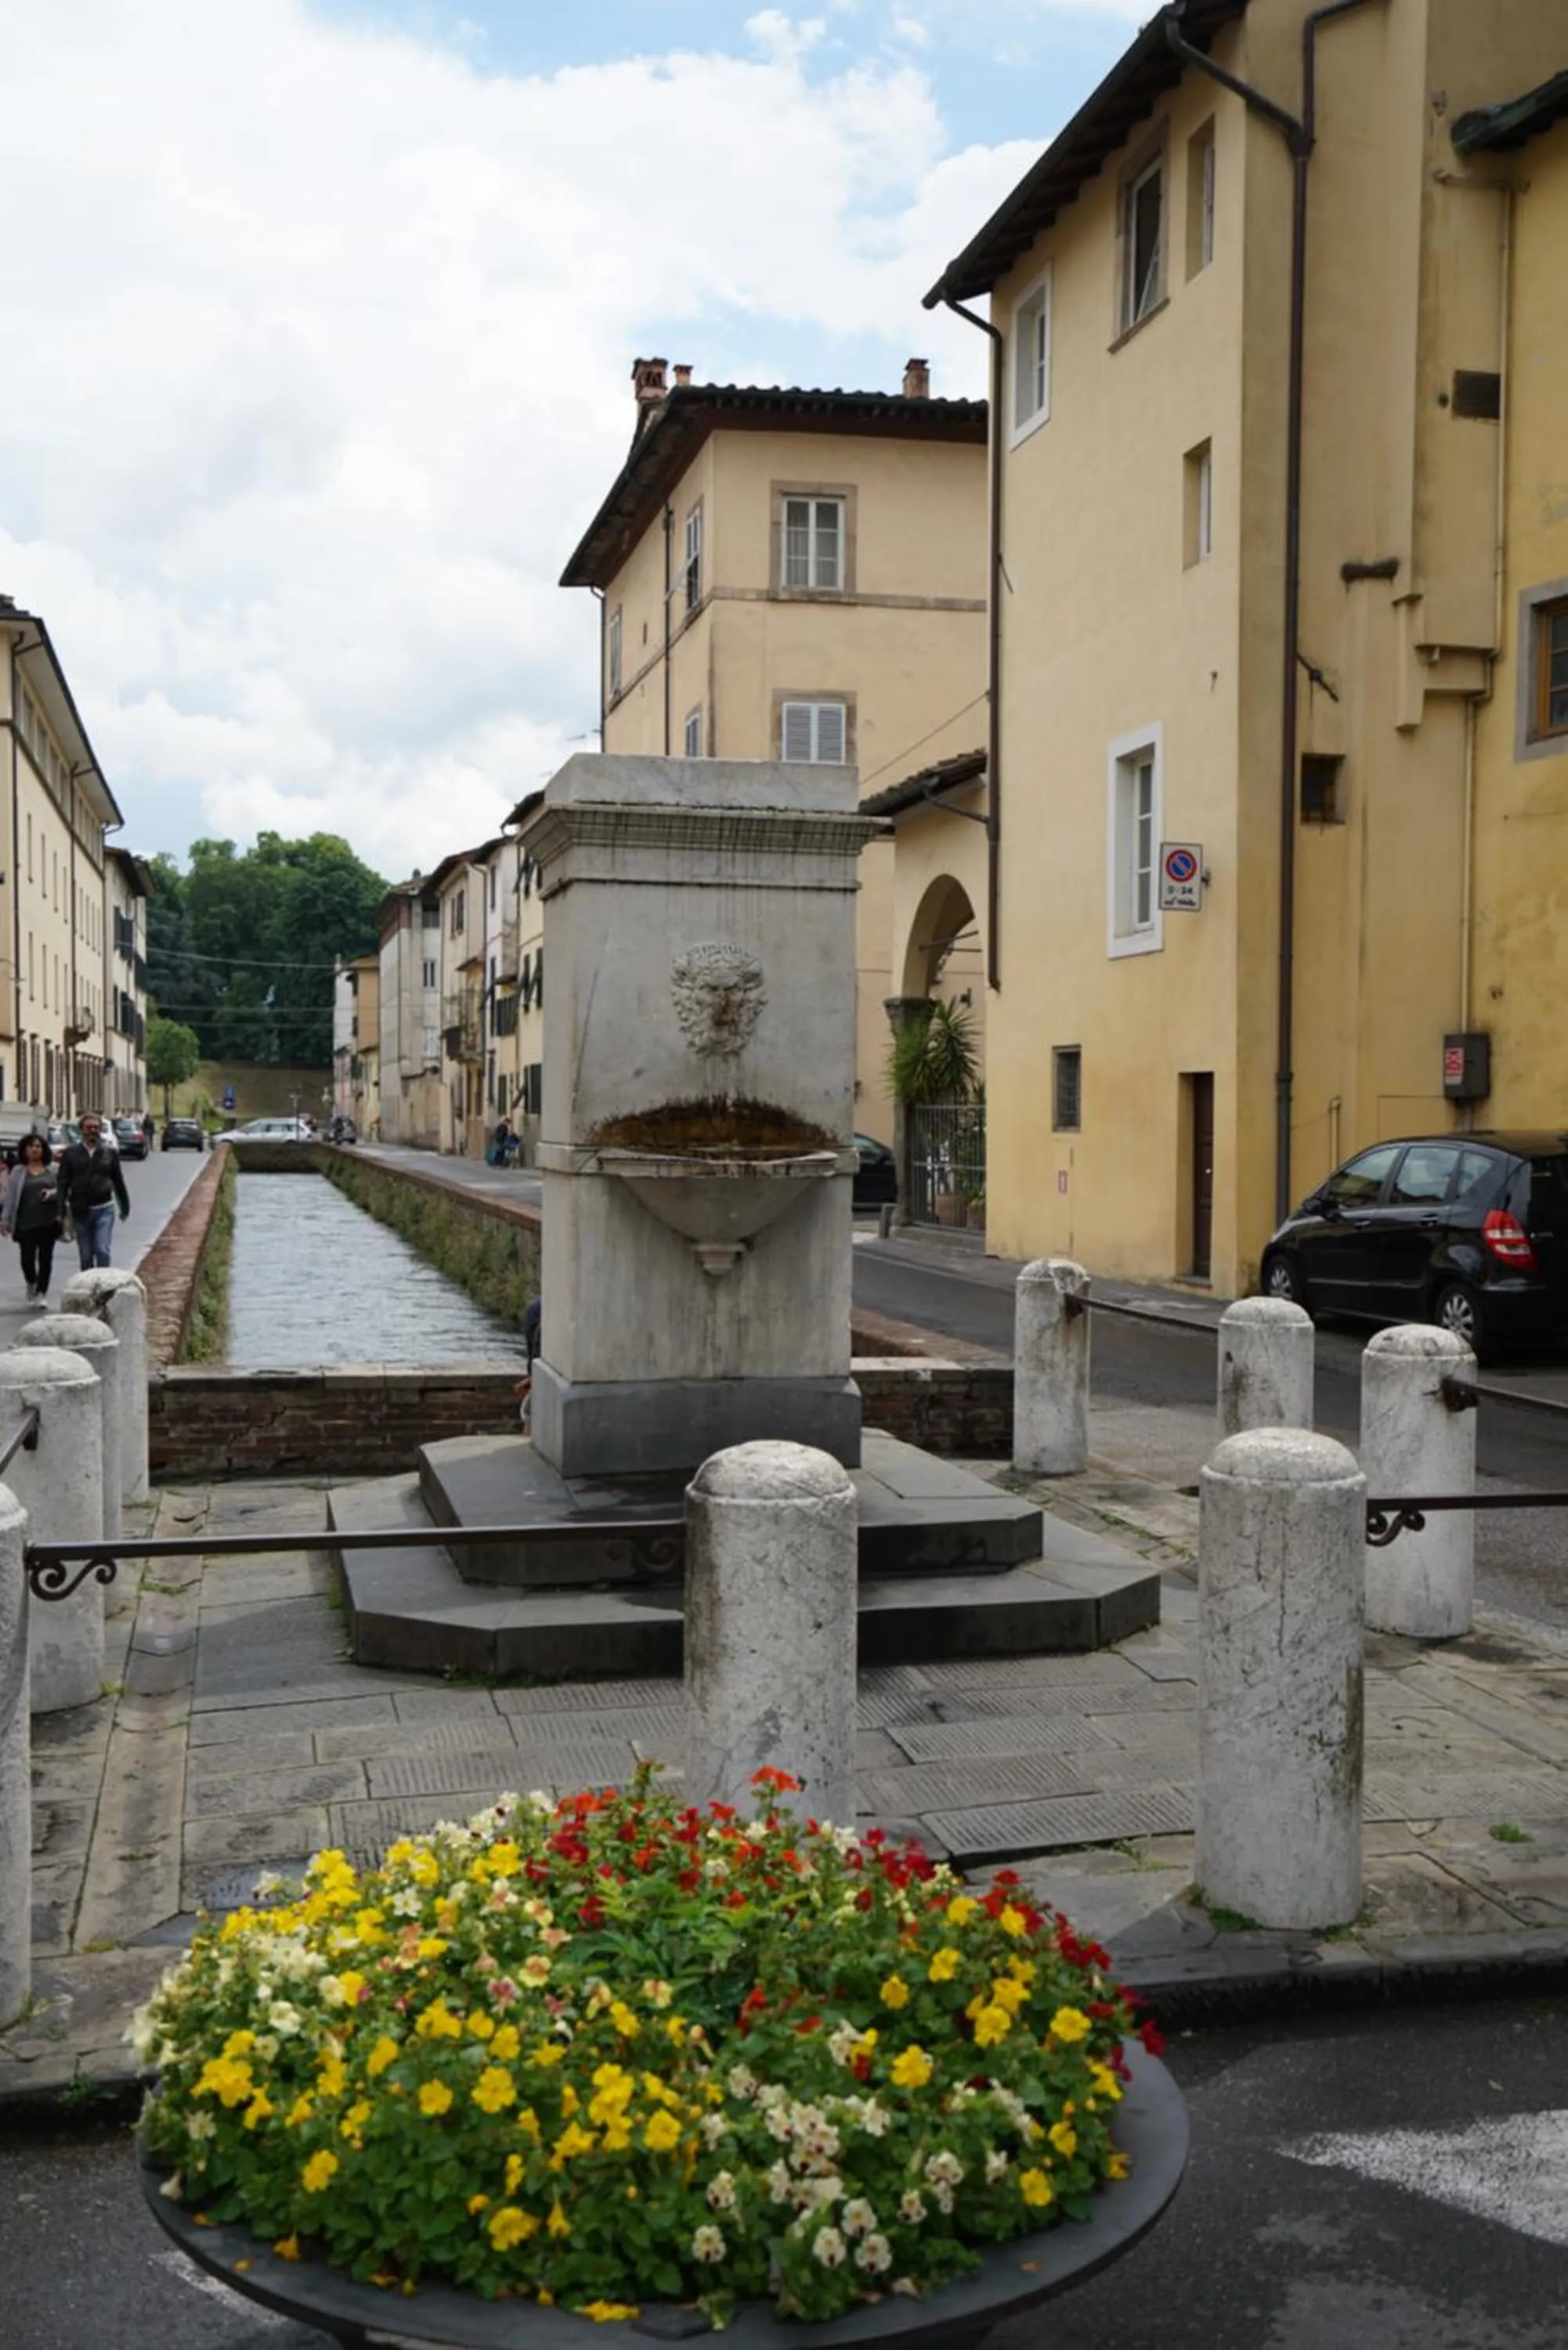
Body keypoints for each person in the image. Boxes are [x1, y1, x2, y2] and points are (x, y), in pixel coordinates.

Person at [60, 1112, 130, 1270]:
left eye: (96, 1127)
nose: (92, 1131)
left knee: (102, 1250)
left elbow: (118, 1181)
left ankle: (104, 1287)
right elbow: (63, 1182)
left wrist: (124, 1205)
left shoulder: (109, 1152)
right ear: (81, 1130)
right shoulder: (71, 1153)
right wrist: (60, 1209)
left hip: (104, 1209)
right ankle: (89, 1291)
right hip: (80, 1211)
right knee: (86, 1256)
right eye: (88, 1127)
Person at [0, 1133, 62, 1303]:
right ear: (25, 1150)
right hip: (25, 1223)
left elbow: (63, 1192)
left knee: (45, 1259)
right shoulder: (18, 1172)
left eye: (38, 1146)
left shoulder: (53, 1170)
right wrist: (4, 1221)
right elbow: (10, 1198)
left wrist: (52, 1195)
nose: (35, 1149)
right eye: (31, 1146)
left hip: (48, 1222)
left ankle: (42, 1293)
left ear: (43, 1149)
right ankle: (31, 1282)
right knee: (27, 1260)